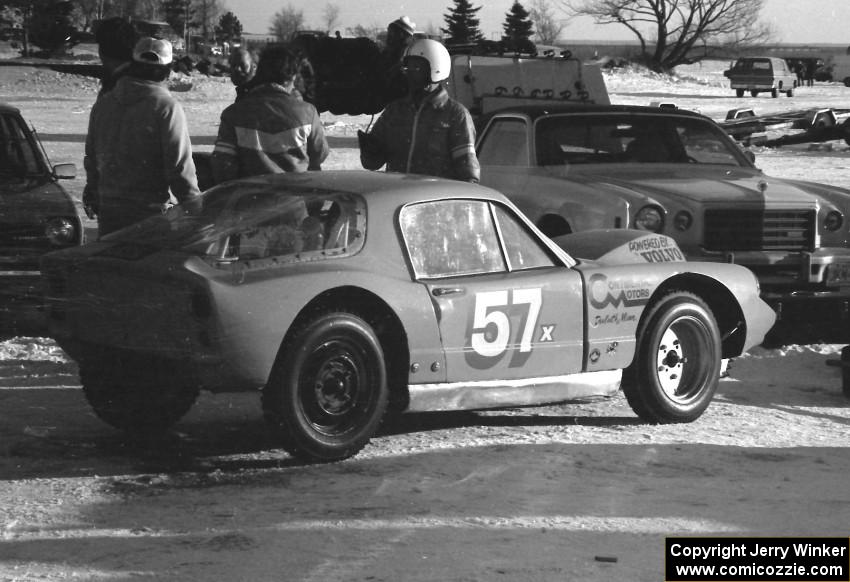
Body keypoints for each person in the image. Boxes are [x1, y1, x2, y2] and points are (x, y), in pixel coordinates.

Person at [84, 37, 200, 236]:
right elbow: (180, 170)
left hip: (110, 215)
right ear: (168, 69)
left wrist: (95, 191)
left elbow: (91, 159)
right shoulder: (166, 108)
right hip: (149, 218)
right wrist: (197, 213)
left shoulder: (104, 103)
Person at [358, 38, 480, 183]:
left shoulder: (455, 114)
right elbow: (372, 163)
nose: (409, 73)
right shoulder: (395, 111)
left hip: (433, 200)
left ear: (436, 68)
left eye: (416, 68)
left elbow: (468, 173)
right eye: (408, 68)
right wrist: (370, 149)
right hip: (398, 197)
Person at [210, 44, 329, 184]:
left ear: (259, 73)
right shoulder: (308, 113)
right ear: (291, 77)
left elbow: (223, 166)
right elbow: (319, 155)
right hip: (295, 201)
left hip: (249, 201)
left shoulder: (233, 115)